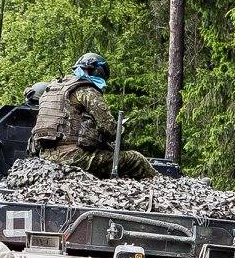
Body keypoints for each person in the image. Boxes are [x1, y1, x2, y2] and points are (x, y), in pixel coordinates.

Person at [25, 52, 159, 180]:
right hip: (72, 157)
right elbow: (109, 129)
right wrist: (121, 128)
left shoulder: (53, 87)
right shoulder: (87, 90)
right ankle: (160, 184)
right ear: (98, 71)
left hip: (44, 156)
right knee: (136, 159)